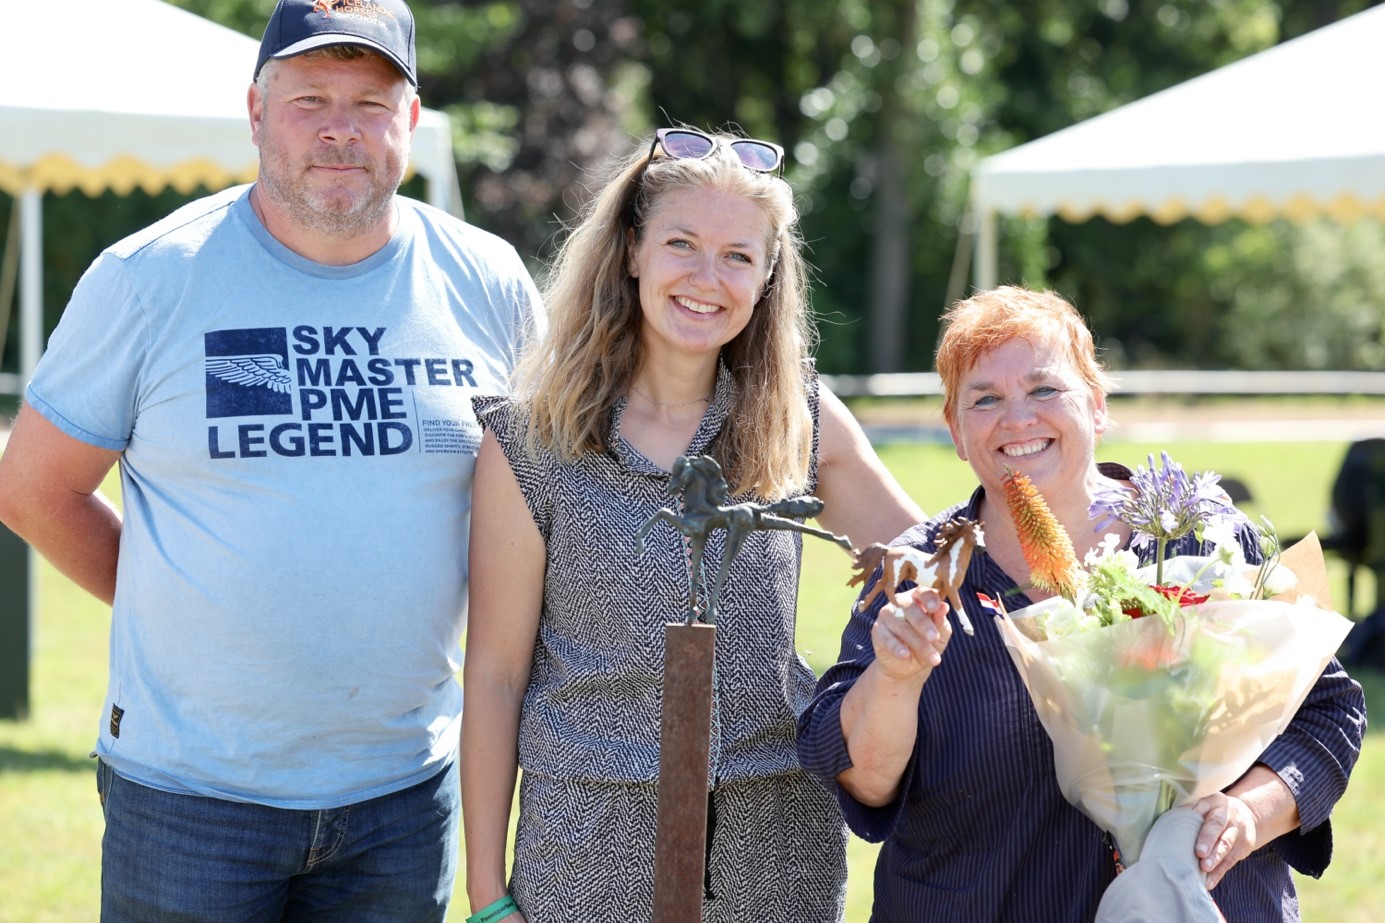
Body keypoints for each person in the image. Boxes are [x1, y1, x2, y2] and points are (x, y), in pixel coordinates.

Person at [0, 1, 542, 919]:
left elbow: (543, 507)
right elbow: (32, 490)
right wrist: (178, 602)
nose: (340, 129)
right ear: (255, 112)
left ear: (408, 122)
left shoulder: (487, 281)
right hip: (188, 799)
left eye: (370, 103)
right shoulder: (150, 277)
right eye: (309, 98)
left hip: (402, 795)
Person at [459, 126, 924, 923]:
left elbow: (931, 560)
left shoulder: (799, 421)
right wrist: (486, 894)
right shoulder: (531, 441)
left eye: (738, 255)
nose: (707, 278)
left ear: (768, 274)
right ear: (633, 250)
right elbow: (495, 678)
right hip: (586, 852)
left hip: (775, 853)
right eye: (682, 243)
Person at [796, 286, 1367, 922]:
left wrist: (1245, 814)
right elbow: (860, 779)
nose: (1017, 419)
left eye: (1044, 390)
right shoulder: (917, 574)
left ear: (1096, 405)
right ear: (957, 433)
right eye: (985, 399)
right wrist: (896, 680)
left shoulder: (1200, 537)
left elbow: (1326, 715)